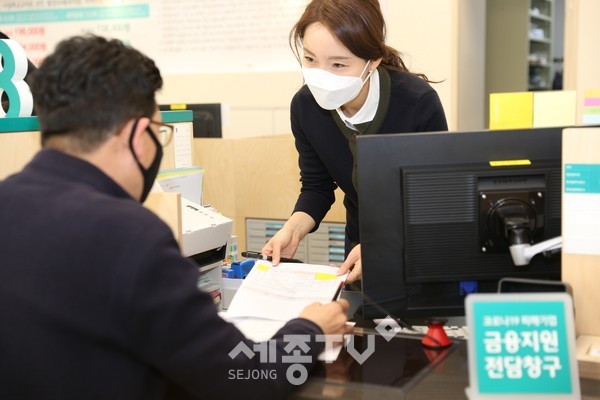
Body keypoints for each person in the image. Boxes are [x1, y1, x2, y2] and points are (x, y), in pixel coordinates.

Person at [0, 35, 350, 400]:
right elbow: (245, 378)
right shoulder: (129, 235)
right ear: (138, 136)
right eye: (158, 132)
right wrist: (310, 329)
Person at [261, 0, 448, 284]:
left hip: (418, 248)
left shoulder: (417, 103)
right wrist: (293, 229)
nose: (321, 75)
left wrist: (383, 244)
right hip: (358, 250)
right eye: (310, 59)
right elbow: (316, 187)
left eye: (338, 64)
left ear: (371, 61)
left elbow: (434, 200)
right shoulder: (305, 107)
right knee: (364, 324)